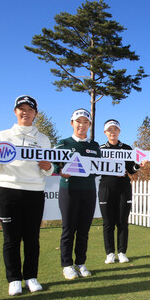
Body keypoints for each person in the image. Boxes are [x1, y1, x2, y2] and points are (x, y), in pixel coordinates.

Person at [0, 95, 53, 296]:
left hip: (34, 191)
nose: (25, 113)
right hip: (9, 190)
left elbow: (47, 169)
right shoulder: (3, 135)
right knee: (11, 238)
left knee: (32, 238)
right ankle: (14, 279)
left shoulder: (43, 139)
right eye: (21, 109)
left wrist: (48, 168)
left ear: (35, 114)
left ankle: (31, 277)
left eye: (29, 110)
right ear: (15, 112)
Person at [54, 109, 101, 279]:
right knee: (69, 229)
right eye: (78, 121)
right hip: (69, 191)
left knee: (83, 230)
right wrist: (60, 170)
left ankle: (80, 263)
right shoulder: (62, 143)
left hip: (88, 191)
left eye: (85, 122)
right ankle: (67, 265)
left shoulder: (94, 146)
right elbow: (53, 164)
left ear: (89, 125)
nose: (82, 125)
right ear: (72, 123)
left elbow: (98, 169)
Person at [98, 119, 146, 264]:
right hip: (106, 187)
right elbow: (94, 169)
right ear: (105, 132)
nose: (113, 132)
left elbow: (132, 169)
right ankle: (110, 253)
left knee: (122, 222)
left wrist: (139, 166)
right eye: (109, 130)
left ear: (119, 131)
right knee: (108, 223)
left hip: (123, 187)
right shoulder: (99, 149)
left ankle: (122, 252)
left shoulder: (127, 148)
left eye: (115, 129)